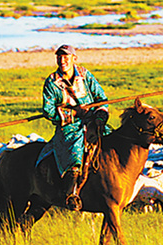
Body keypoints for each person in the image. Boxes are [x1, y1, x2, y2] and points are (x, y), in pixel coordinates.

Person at [40, 44, 110, 211]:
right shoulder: (51, 82)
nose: (62, 60)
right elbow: (48, 111)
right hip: (69, 126)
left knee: (110, 141)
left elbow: (101, 98)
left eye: (66, 57)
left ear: (74, 59)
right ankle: (71, 192)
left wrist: (100, 115)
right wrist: (75, 113)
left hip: (92, 120)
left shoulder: (85, 75)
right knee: (75, 148)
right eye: (59, 57)